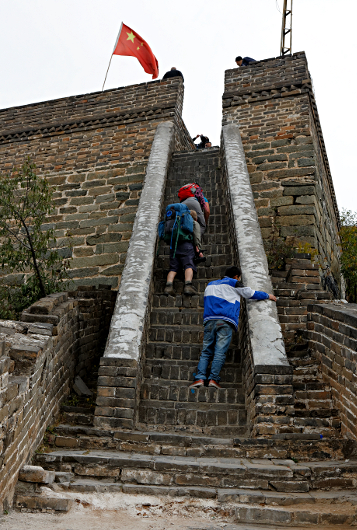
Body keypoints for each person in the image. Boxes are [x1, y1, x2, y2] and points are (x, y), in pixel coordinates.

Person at [189, 266, 277, 389]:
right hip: (225, 321)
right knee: (220, 351)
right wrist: (267, 295)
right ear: (236, 276)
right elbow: (250, 293)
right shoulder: (234, 283)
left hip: (209, 321)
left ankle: (199, 378)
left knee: (206, 351)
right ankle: (213, 379)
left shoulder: (210, 284)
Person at [163, 211, 200, 297]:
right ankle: (188, 286)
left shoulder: (178, 222)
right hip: (187, 246)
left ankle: (168, 286)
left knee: (173, 267)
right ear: (194, 218)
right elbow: (197, 237)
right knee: (188, 265)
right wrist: (198, 249)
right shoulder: (193, 223)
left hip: (174, 246)